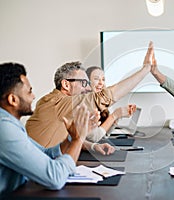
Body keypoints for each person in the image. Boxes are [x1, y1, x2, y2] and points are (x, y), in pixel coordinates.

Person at [26, 41, 153, 149]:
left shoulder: (61, 106)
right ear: (66, 85)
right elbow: (106, 97)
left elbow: (68, 140)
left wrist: (93, 147)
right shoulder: (58, 102)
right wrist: (145, 70)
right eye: (83, 83)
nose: (88, 88)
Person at [0, 63, 89, 195]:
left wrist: (71, 138)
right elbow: (55, 178)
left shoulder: (10, 124)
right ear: (13, 100)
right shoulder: (4, 129)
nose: (33, 96)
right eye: (29, 91)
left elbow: (45, 153)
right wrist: (77, 140)